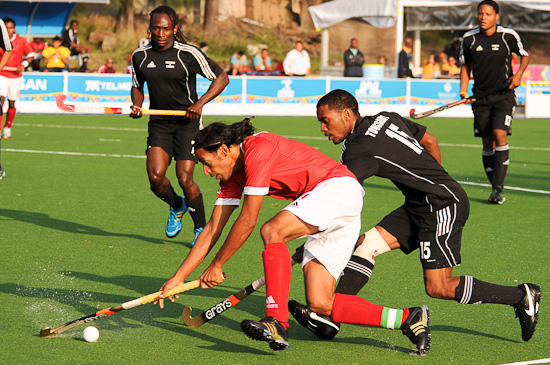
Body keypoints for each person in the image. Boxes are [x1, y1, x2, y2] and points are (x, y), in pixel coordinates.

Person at [156, 118, 431, 355]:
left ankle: (277, 322)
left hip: (336, 189)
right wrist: (178, 278)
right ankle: (407, 318)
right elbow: (212, 229)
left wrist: (217, 265)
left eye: (206, 162)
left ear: (224, 150)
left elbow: (249, 220)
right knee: (320, 304)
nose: (206, 171)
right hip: (333, 205)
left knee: (272, 230)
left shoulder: (258, 149)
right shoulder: (231, 178)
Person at [287, 89, 540, 345]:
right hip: (422, 202)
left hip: (441, 205)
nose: (322, 128)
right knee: (367, 244)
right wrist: (434, 179)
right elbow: (431, 141)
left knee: (438, 286)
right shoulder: (386, 117)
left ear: (347, 114)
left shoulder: (357, 148)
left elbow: (340, 194)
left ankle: (521, 296)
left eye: (325, 120)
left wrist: (309, 233)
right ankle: (332, 314)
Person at [129, 6, 229, 246]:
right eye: (156, 28)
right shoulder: (139, 56)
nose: (161, 33)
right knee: (155, 177)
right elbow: (137, 86)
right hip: (160, 124)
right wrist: (136, 105)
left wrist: (199, 103)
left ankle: (200, 228)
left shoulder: (188, 53)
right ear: (150, 29)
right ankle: (177, 205)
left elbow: (222, 77)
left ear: (175, 29)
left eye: (166, 28)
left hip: (188, 124)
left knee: (185, 178)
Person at [460, 0, 530, 204]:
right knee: (486, 141)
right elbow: (465, 66)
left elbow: (525, 56)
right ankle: (495, 189)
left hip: (504, 95)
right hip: (480, 97)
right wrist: (463, 91)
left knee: (500, 134)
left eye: (488, 14)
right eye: (480, 14)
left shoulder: (509, 36)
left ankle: (498, 188)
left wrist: (518, 76)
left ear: (496, 16)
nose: (483, 17)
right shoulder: (469, 39)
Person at [0, 17, 34, 140]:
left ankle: (7, 127)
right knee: (0, 100)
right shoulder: (0, 39)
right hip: (2, 74)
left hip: (15, 77)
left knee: (11, 103)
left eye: (11, 28)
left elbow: (31, 55)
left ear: (14, 29)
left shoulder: (22, 41)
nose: (9, 30)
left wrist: (23, 65)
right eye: (7, 28)